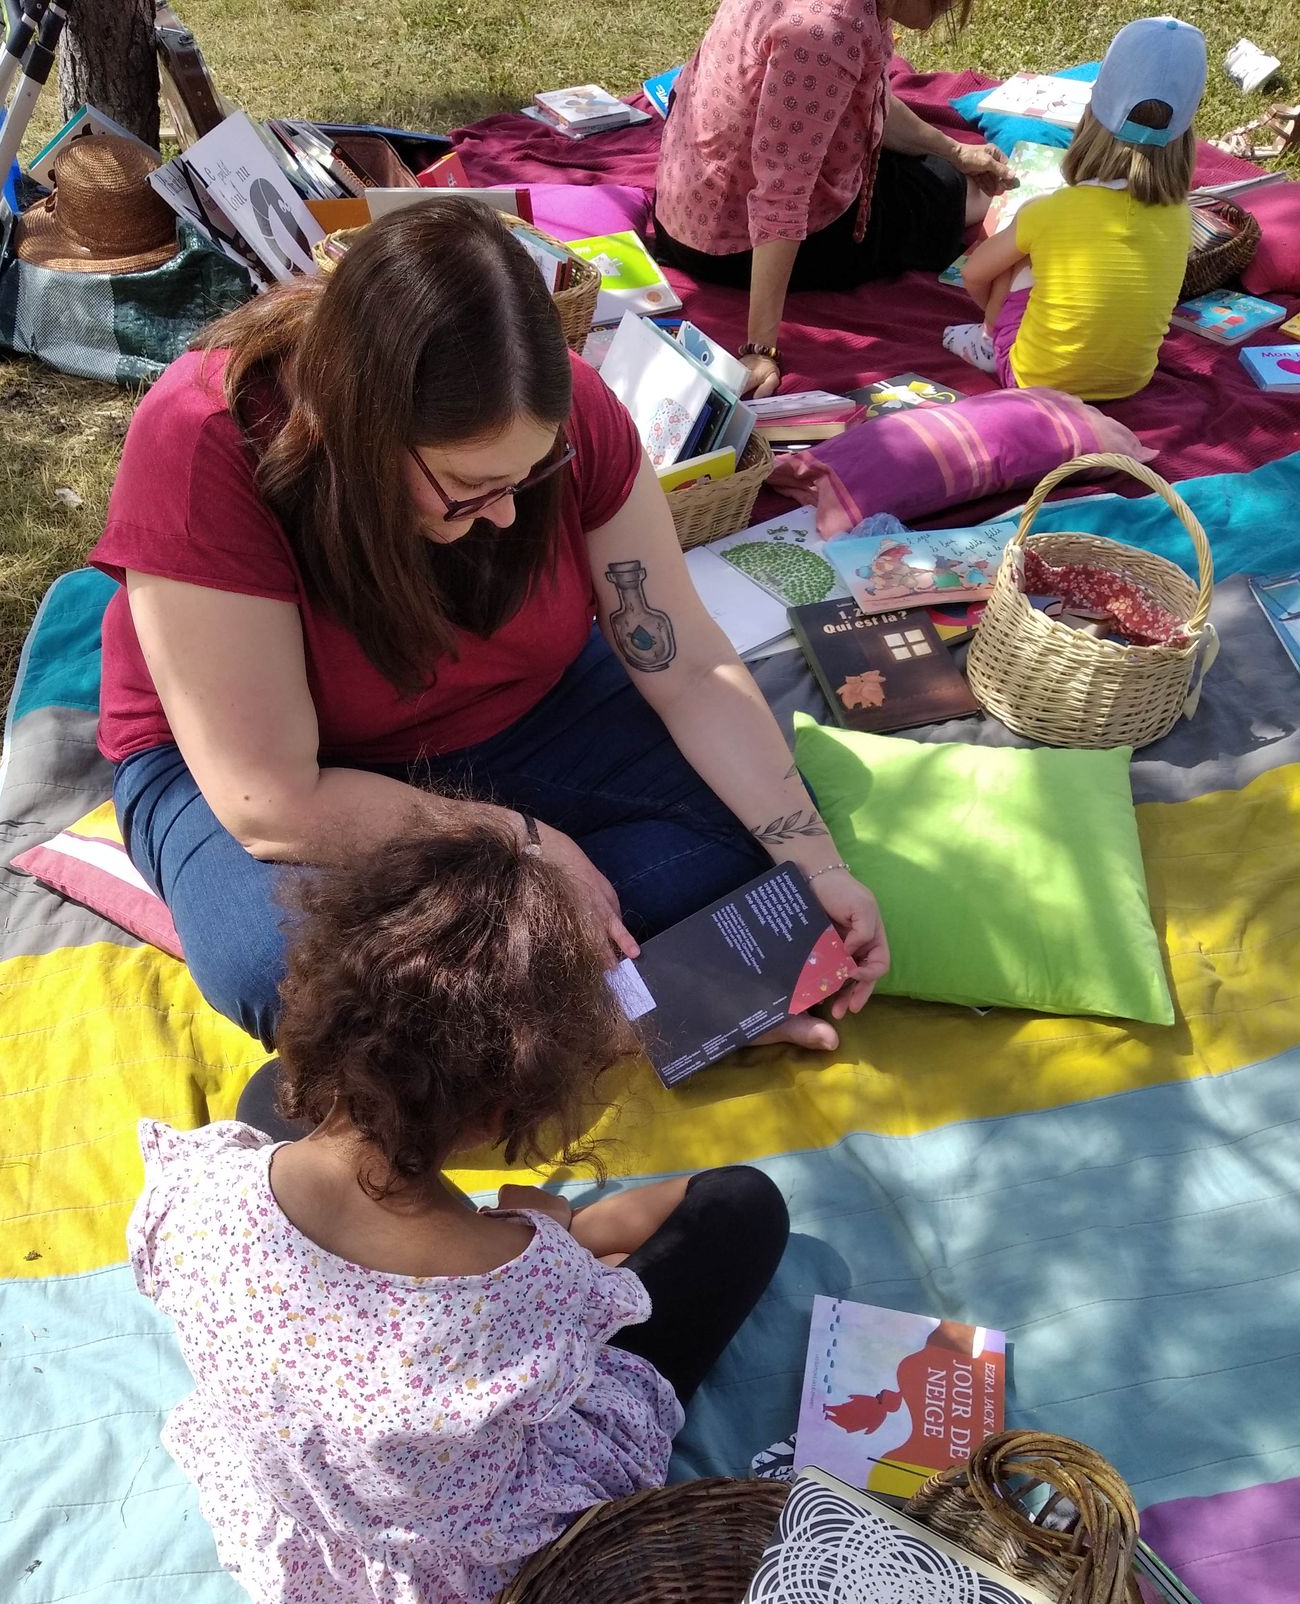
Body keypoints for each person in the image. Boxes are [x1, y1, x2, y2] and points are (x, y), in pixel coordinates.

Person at [90, 197, 887, 1058]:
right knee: (288, 974)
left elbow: (688, 663)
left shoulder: (561, 408)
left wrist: (815, 863)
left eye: (533, 472)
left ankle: (519, 1005)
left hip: (522, 715)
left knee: (762, 851)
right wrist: (525, 844)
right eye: (469, 486)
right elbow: (268, 802)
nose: (508, 516)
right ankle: (625, 1009)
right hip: (283, 775)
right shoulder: (206, 437)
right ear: (364, 427)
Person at [129, 822, 791, 1604]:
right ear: (501, 1115)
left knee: (267, 1098)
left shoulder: (201, 1185)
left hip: (314, 1497)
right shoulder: (530, 1285)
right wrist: (552, 1238)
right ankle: (577, 1226)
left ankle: (521, 1198)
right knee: (742, 1207)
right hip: (475, 1527)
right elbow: (558, 1345)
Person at [651, 0, 1015, 397]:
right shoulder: (825, 33)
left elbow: (859, 96)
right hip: (735, 246)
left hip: (685, 208)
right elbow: (783, 195)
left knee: (950, 171)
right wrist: (759, 348)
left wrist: (956, 150)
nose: (945, 14)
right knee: (961, 193)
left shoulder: (834, 24)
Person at [944, 17, 1205, 399]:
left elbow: (974, 275)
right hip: (1129, 383)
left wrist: (999, 325)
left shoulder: (1050, 211)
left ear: (1087, 123)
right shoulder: (1182, 216)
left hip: (1031, 377)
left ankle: (989, 341)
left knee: (1020, 253)